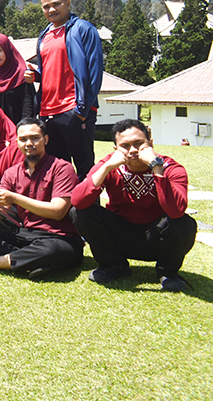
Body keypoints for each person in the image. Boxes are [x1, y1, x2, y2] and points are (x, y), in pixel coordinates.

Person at [71, 119, 196, 291]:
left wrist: (156, 168)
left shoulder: (171, 168)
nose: (133, 151)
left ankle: (167, 272)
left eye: (139, 143)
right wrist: (107, 167)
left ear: (150, 143)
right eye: (125, 146)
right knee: (80, 212)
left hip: (156, 238)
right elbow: (78, 201)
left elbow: (176, 211)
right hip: (121, 236)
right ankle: (114, 265)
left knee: (184, 223)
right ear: (115, 149)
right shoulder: (109, 165)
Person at [0, 118, 84, 279]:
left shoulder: (62, 168)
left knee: (53, 250)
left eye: (35, 138)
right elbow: (2, 212)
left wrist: (15, 198)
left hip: (59, 237)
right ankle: (34, 261)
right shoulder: (12, 173)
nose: (29, 143)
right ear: (17, 142)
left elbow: (58, 212)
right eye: (23, 139)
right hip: (27, 234)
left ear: (45, 139)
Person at [33, 0, 104, 179]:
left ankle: (87, 202)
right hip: (48, 112)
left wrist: (82, 111)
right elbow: (47, 70)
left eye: (56, 4)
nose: (51, 9)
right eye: (46, 6)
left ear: (68, 3)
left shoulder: (83, 29)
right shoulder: (44, 35)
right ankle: (62, 202)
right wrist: (34, 76)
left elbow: (95, 71)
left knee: (85, 170)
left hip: (74, 109)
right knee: (58, 171)